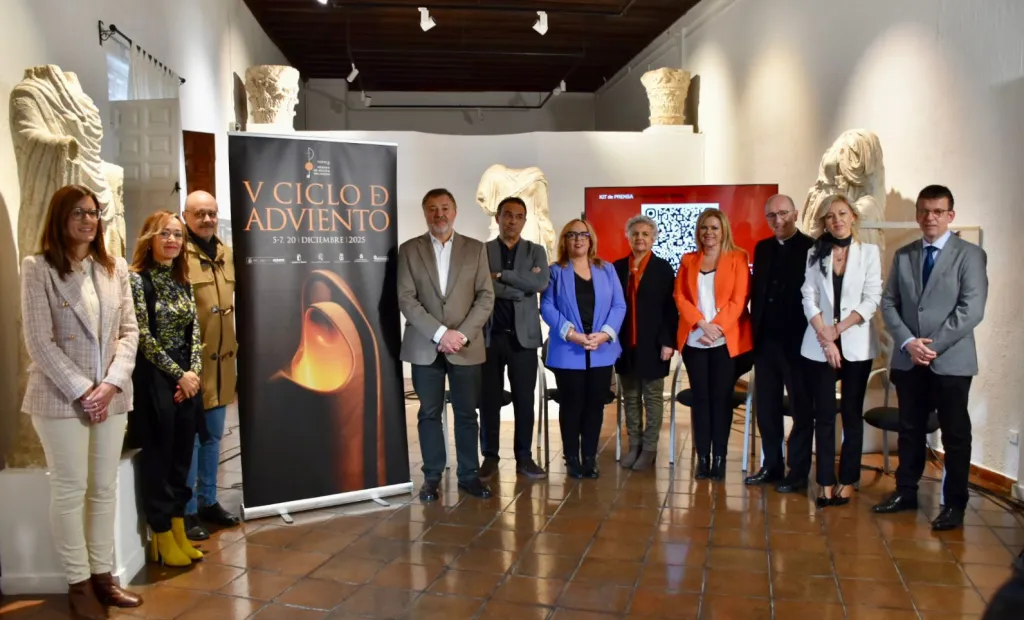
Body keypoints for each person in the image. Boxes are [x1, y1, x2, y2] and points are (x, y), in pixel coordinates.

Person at [20, 185, 142, 619]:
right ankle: (78, 582)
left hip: (111, 395)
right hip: (60, 397)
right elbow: (38, 340)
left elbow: (130, 331)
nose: (88, 220)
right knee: (70, 489)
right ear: (60, 218)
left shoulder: (114, 267)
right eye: (78, 213)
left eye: (93, 213)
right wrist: (83, 390)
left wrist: (110, 384)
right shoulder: (38, 268)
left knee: (104, 488)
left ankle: (103, 576)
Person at [873, 185, 988, 531]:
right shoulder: (904, 255)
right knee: (909, 429)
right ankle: (905, 491)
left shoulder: (970, 255)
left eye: (938, 211)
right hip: (909, 360)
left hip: (950, 361)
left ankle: (954, 504)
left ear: (950, 215)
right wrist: (909, 342)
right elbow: (889, 303)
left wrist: (931, 345)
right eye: (924, 210)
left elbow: (971, 310)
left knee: (955, 434)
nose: (930, 217)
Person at [397, 189, 495, 502]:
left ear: (455, 211)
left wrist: (460, 335)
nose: (439, 214)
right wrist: (441, 334)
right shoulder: (409, 250)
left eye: (445, 208)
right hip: (424, 345)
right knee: (428, 413)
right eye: (432, 209)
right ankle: (432, 477)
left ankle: (469, 475)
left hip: (465, 346)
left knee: (467, 414)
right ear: (425, 213)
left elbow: (486, 297)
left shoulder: (475, 249)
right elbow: (406, 298)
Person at [129, 211, 206, 566]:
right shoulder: (136, 280)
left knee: (181, 456)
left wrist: (193, 373)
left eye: (177, 235)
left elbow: (194, 332)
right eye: (165, 234)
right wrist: (178, 375)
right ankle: (160, 534)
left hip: (186, 376)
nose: (172, 240)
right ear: (150, 238)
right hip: (155, 376)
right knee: (159, 456)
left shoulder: (182, 280)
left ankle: (178, 529)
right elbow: (143, 335)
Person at [798, 195, 881, 507]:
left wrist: (839, 330)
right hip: (819, 344)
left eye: (842, 214)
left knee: (851, 414)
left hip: (856, 343)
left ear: (853, 217)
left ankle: (847, 479)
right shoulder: (815, 253)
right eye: (830, 216)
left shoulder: (869, 253)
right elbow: (808, 296)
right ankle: (824, 481)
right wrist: (826, 337)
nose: (837, 220)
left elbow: (871, 299)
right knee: (823, 415)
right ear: (825, 222)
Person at [541, 218, 626, 479]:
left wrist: (604, 334)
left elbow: (619, 305)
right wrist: (573, 335)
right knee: (571, 405)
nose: (578, 239)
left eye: (583, 234)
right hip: (568, 350)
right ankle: (571, 457)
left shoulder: (607, 269)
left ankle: (589, 457)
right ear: (564, 240)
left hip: (601, 349)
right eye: (572, 234)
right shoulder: (555, 271)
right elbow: (547, 306)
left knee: (595, 406)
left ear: (591, 240)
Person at [674, 208, 753, 480]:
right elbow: (680, 297)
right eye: (704, 227)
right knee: (701, 399)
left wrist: (716, 327)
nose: (709, 232)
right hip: (695, 341)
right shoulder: (688, 260)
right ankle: (703, 458)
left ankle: (719, 458)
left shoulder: (738, 258)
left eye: (714, 228)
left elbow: (739, 299)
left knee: (721, 400)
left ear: (723, 231)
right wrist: (701, 324)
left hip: (725, 341)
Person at [744, 194, 815, 490]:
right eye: (772, 215)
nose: (778, 220)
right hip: (765, 342)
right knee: (767, 408)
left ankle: (797, 471)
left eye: (783, 213)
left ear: (795, 214)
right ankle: (771, 465)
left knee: (801, 409)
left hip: (798, 343)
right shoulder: (762, 248)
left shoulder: (812, 248)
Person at [180, 191, 240, 541]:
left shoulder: (226, 254)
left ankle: (208, 501)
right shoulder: (177, 254)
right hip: (191, 367)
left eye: (212, 213)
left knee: (213, 437)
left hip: (222, 366)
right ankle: (187, 509)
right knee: (190, 441)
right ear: (185, 216)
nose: (206, 220)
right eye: (199, 213)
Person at [479, 197, 549, 481]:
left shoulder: (536, 251)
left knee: (524, 400)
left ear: (524, 221)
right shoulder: (482, 251)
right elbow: (480, 286)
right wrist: (520, 285)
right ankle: (490, 457)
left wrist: (501, 275)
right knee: (489, 400)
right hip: (490, 336)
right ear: (497, 218)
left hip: (524, 339)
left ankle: (524, 457)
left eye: (519, 216)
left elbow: (540, 283)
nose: (512, 221)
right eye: (507, 215)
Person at [613, 215, 678, 470]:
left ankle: (649, 449)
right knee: (630, 397)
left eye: (645, 234)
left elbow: (670, 309)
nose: (640, 238)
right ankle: (635, 445)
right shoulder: (617, 267)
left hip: (654, 344)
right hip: (624, 343)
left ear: (653, 239)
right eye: (635, 234)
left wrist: (668, 342)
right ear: (628, 237)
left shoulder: (663, 268)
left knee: (652, 398)